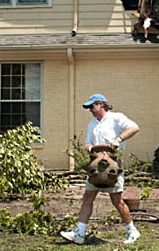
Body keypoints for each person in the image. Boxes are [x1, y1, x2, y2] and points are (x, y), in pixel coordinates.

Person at [60, 93, 141, 245]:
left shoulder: (116, 118)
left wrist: (119, 139)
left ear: (101, 104)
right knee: (87, 197)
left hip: (112, 168)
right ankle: (79, 234)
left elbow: (134, 127)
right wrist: (90, 147)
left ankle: (132, 231)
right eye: (89, 107)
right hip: (96, 167)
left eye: (92, 106)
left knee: (117, 201)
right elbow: (87, 143)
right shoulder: (93, 124)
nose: (90, 109)